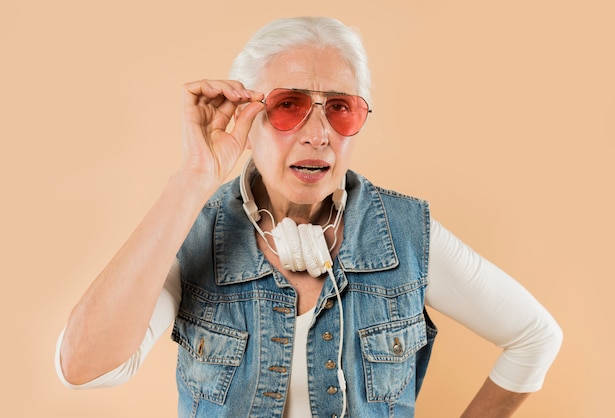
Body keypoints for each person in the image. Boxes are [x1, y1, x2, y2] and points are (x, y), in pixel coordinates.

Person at [55, 16, 562, 418]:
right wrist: (192, 177)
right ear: (245, 117)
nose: (318, 132)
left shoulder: (405, 233)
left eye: (340, 107)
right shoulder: (193, 235)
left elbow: (535, 335)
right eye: (288, 105)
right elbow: (83, 367)